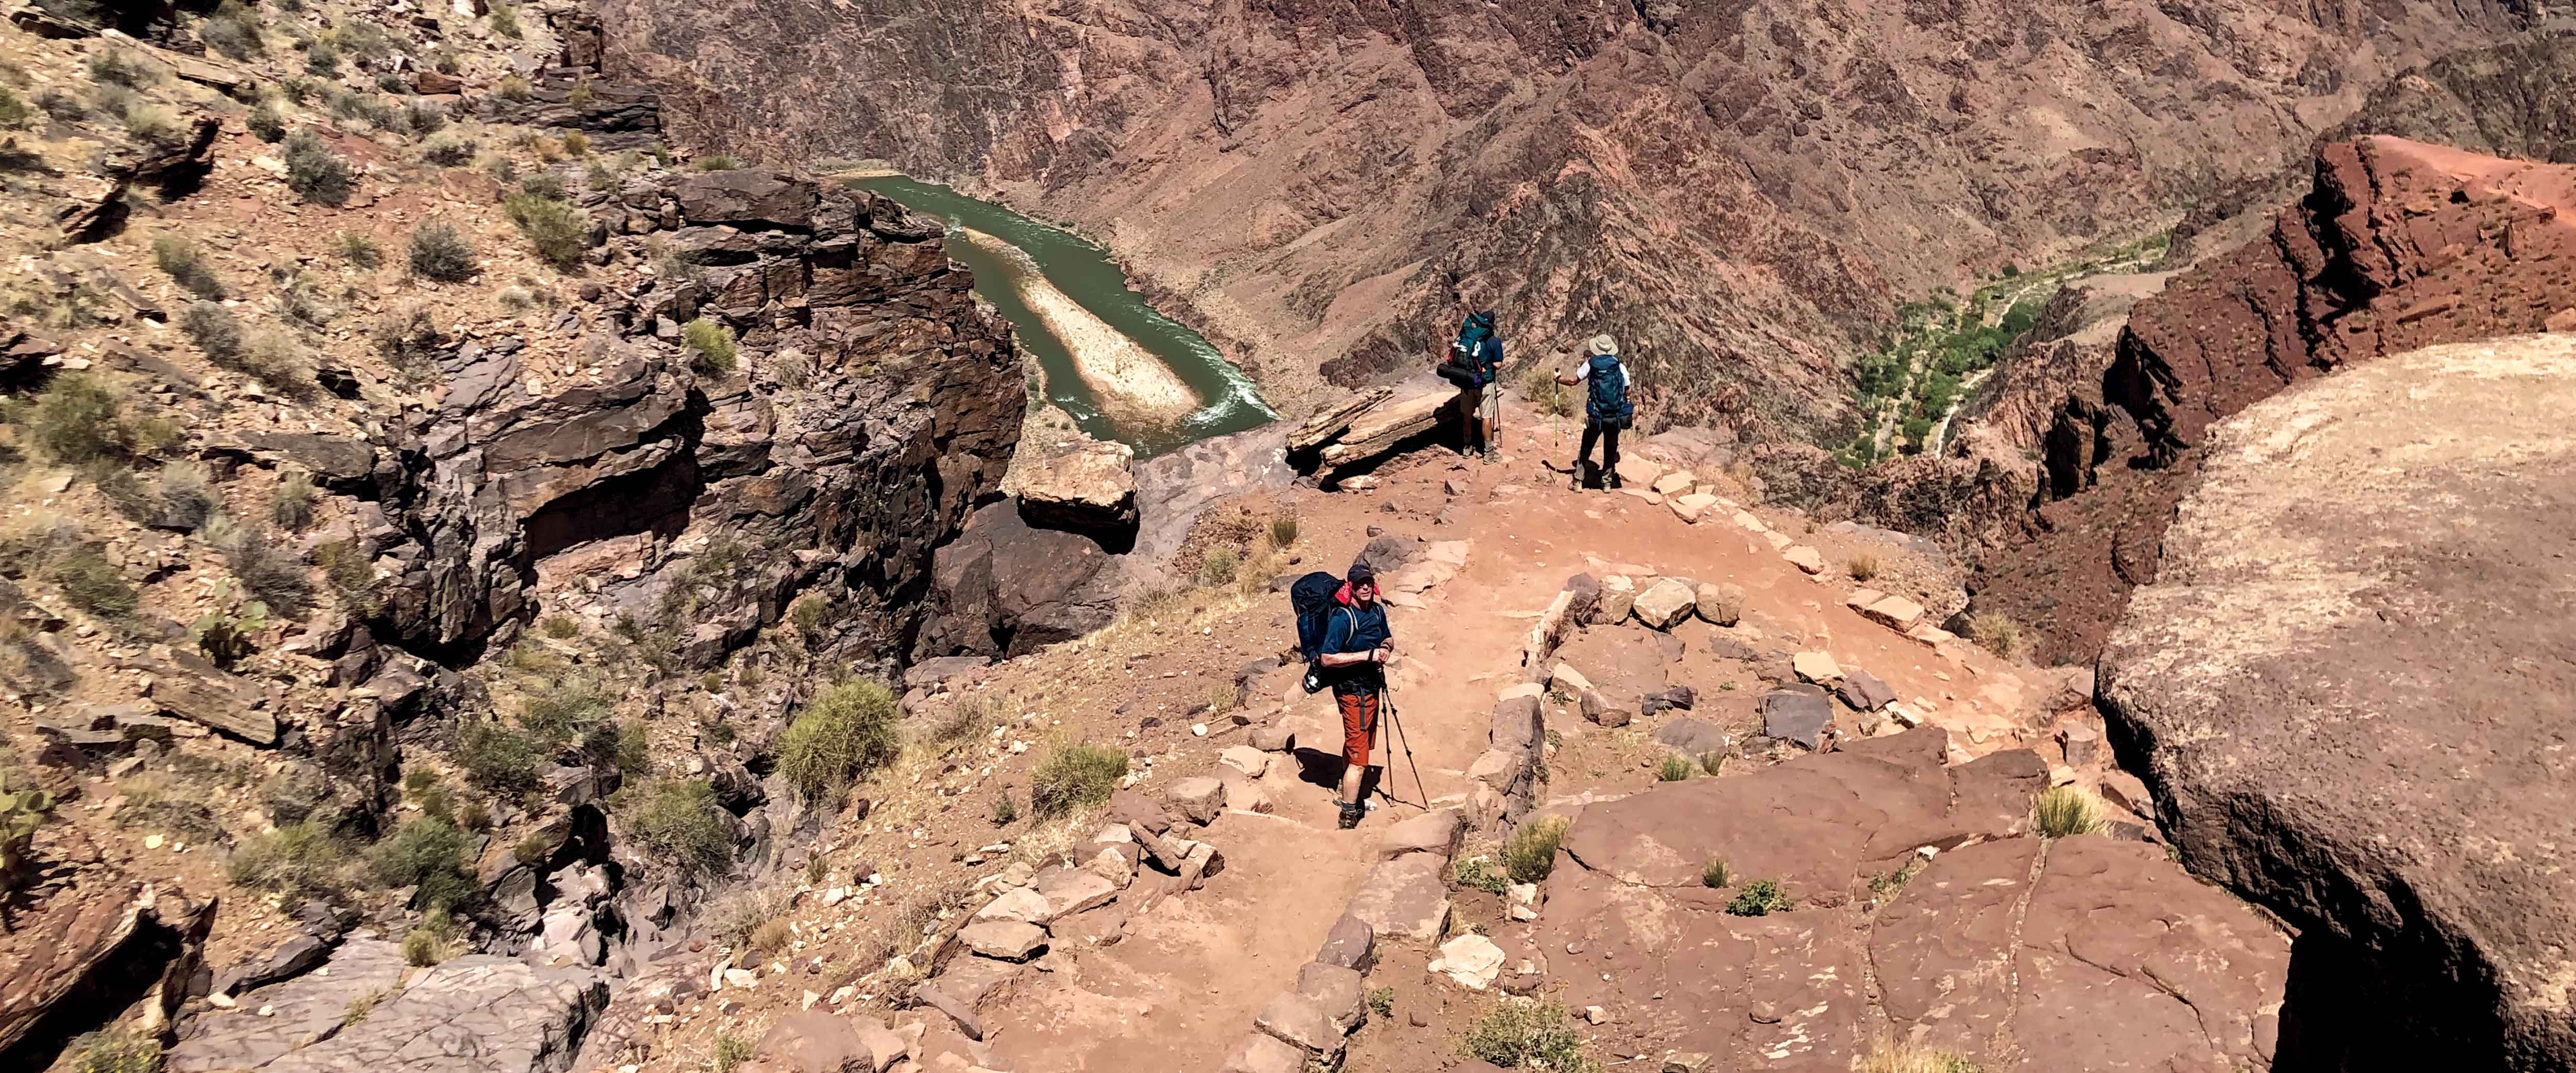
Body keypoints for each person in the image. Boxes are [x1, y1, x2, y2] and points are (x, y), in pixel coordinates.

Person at [1313, 560, 1393, 829]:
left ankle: (1343, 789)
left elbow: (1388, 639)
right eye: (1360, 584)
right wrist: (1367, 656)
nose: (1366, 587)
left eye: (1369, 582)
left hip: (1371, 690)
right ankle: (1348, 814)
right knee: (1360, 761)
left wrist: (1384, 649)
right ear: (1351, 587)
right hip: (1353, 693)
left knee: (1359, 746)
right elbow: (1327, 658)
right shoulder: (1342, 618)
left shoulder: (1378, 612)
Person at [1558, 333, 1633, 488]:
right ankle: (1606, 483)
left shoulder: (1591, 363)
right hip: (1614, 416)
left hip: (1596, 415)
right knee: (1611, 447)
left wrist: (1558, 380)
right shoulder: (1619, 365)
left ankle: (1578, 481)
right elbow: (1627, 389)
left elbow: (1574, 381)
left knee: (1587, 445)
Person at [1448, 304, 1505, 462]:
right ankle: (1488, 453)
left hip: (1467, 381)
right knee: (1486, 417)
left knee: (1467, 415)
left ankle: (1467, 447)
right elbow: (1498, 364)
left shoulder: (1468, 336)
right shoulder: (1494, 341)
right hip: (1485, 383)